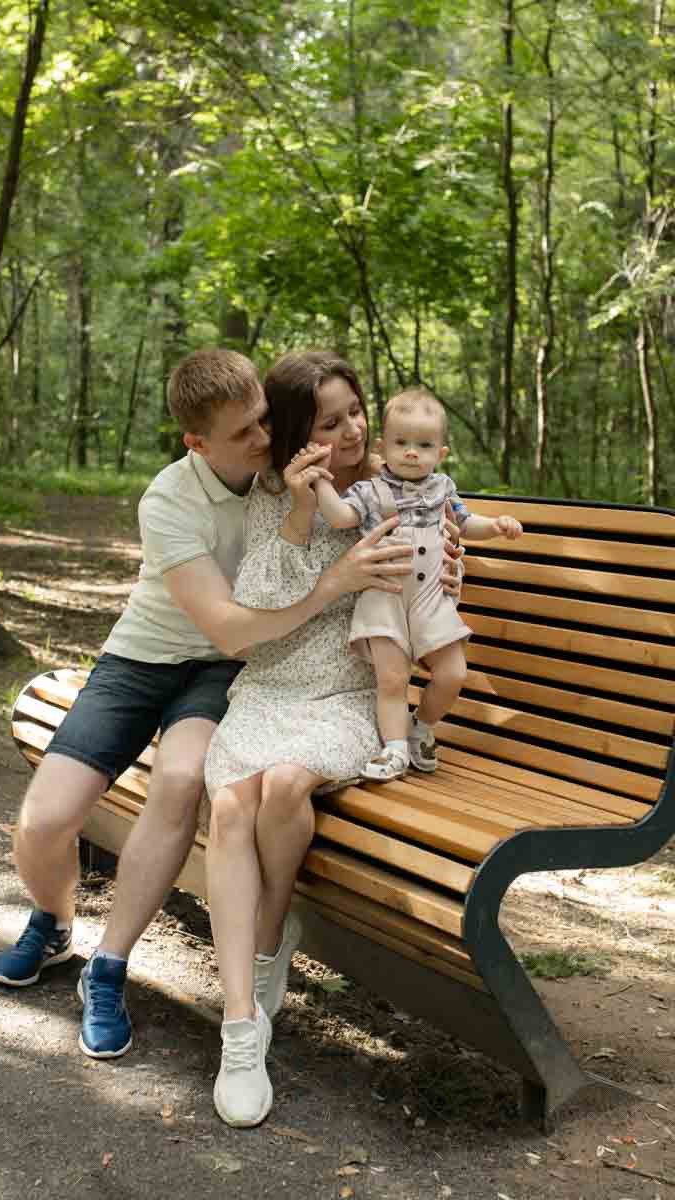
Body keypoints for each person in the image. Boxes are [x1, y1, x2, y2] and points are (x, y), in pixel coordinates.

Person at [0, 348, 418, 1063]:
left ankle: (109, 967)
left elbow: (376, 480)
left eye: (263, 421)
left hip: (217, 674)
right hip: (143, 660)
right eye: (246, 431)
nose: (262, 438)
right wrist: (331, 584)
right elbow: (230, 623)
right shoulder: (169, 501)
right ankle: (55, 919)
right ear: (198, 442)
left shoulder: (283, 476)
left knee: (185, 780)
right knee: (45, 820)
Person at [201, 354, 464, 1128]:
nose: (351, 430)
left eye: (356, 412)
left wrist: (452, 555)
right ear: (297, 434)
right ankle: (241, 1027)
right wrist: (302, 512)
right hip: (270, 690)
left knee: (284, 786)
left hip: (348, 698)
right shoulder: (279, 496)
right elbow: (255, 622)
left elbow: (435, 566)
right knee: (229, 810)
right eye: (329, 421)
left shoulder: (396, 488)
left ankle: (269, 933)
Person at [313, 383, 522, 781]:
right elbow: (340, 517)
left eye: (424, 446)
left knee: (452, 672)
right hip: (385, 594)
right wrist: (321, 481)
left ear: (440, 454)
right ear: (382, 446)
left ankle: (421, 726)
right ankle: (394, 750)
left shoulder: (443, 489)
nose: (412, 452)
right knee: (391, 678)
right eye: (402, 442)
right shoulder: (369, 491)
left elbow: (465, 522)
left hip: (430, 597)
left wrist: (495, 526)